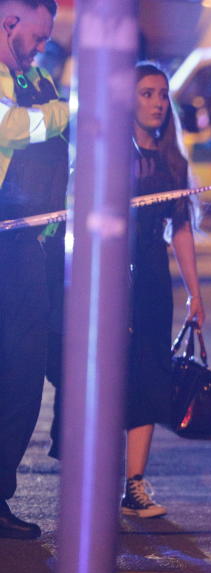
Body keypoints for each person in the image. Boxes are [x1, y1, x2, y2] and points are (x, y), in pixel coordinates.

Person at [121, 62, 205, 518]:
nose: (157, 103)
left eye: (161, 94)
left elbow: (182, 230)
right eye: (147, 93)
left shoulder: (173, 159)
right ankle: (93, 476)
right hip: (112, 276)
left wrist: (195, 292)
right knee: (111, 377)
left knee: (149, 377)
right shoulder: (113, 154)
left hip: (153, 278)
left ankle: (134, 484)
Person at [0, 0, 68, 540]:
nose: (41, 45)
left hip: (31, 248)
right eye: (35, 35)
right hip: (7, 242)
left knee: (23, 375)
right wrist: (68, 112)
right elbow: (11, 128)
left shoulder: (36, 78)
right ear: (8, 21)